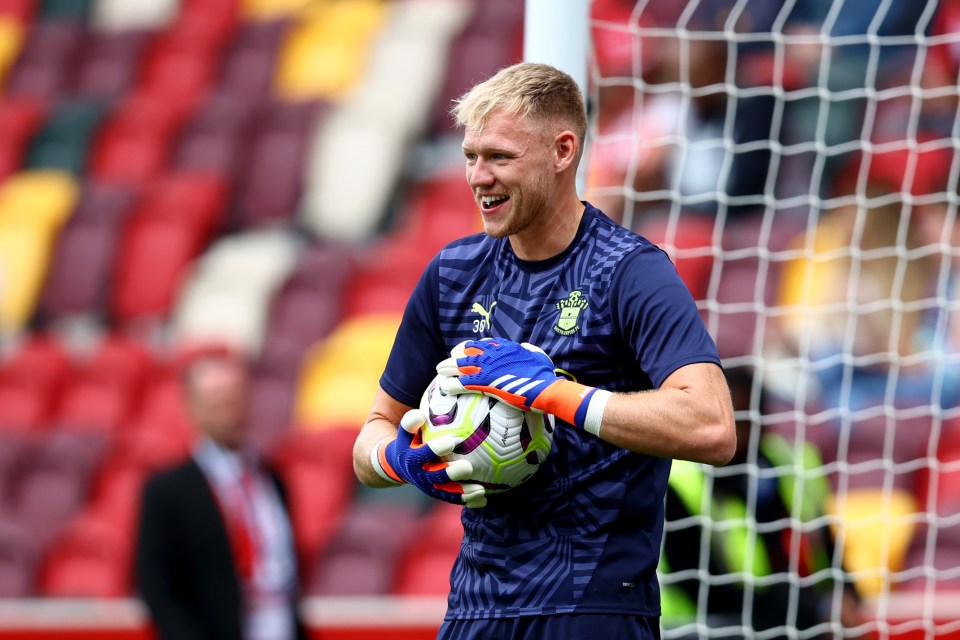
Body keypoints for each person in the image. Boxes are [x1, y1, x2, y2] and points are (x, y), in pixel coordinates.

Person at [352, 62, 737, 639]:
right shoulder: (451, 274)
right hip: (475, 609)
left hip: (594, 609)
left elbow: (712, 427)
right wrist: (402, 460)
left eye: (500, 157)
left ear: (563, 151)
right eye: (470, 156)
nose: (479, 177)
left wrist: (556, 394)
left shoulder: (630, 271)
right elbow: (371, 435)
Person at [660, 366, 864, 638]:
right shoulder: (679, 482)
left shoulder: (794, 462)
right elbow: (705, 592)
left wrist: (845, 592)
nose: (737, 431)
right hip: (698, 627)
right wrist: (812, 613)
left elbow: (827, 546)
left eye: (746, 419)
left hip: (789, 616)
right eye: (730, 418)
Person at [136, 348, 306, 640]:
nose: (228, 409)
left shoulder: (272, 479)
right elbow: (158, 589)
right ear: (193, 408)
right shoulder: (168, 491)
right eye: (216, 401)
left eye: (233, 398)